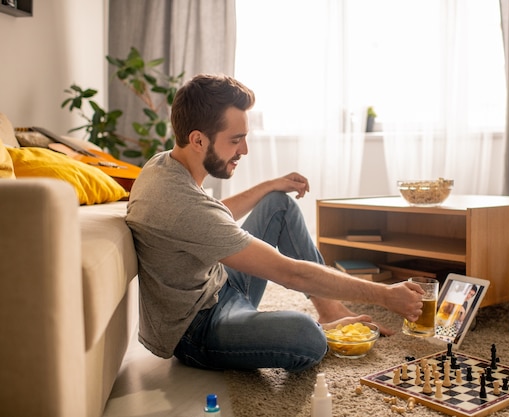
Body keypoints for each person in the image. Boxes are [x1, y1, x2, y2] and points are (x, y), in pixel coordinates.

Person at [126, 74, 425, 372]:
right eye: (235, 140)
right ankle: (323, 324)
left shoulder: (164, 165)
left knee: (278, 203)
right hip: (198, 330)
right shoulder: (179, 204)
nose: (244, 150)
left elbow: (211, 217)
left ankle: (329, 308)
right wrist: (385, 295)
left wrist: (271, 185)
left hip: (218, 285)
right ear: (198, 139)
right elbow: (290, 273)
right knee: (305, 335)